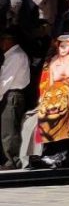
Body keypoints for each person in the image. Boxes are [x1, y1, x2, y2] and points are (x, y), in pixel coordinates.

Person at [1, 31, 30, 168]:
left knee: (9, 129)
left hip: (12, 94)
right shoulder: (12, 55)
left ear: (9, 40)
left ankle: (12, 161)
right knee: (8, 128)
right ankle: (11, 159)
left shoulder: (15, 56)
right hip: (11, 94)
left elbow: (5, 81)